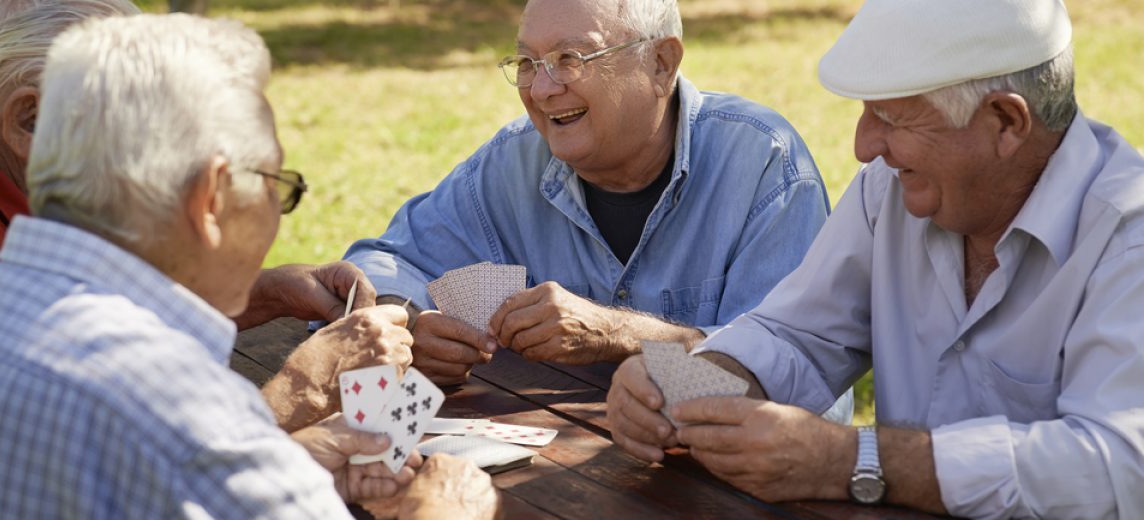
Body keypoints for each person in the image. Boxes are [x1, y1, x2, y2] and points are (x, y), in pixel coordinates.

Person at [0, 14, 498, 520]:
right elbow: (177, 446)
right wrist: (446, 519)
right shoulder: (176, 400)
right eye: (276, 184)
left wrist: (284, 465)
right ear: (211, 198)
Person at [607, 0, 1144, 520]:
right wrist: (677, 383)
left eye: (890, 118)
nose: (864, 147)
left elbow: (1120, 467)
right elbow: (797, 336)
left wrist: (854, 460)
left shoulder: (1127, 235)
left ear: (1006, 122)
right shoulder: (890, 188)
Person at [343, 0, 852, 421]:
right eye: (527, 63)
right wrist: (408, 325)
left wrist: (619, 336)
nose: (542, 89)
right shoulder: (514, 161)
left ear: (661, 64)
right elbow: (384, 262)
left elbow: (794, 387)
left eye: (570, 57)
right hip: (557, 486)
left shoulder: (763, 163)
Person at [0, 0, 385, 432]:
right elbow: (109, 449)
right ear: (31, 121)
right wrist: (305, 387)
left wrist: (262, 293)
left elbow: (109, 322)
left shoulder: (6, 215)